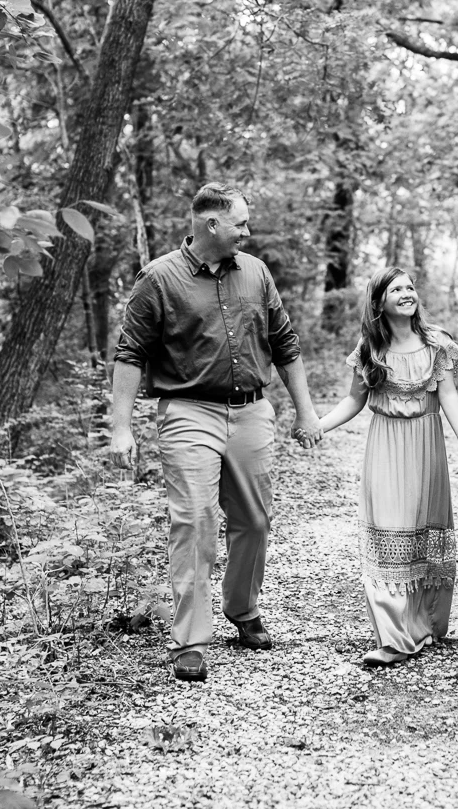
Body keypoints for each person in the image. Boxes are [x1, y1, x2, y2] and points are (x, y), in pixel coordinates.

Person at [109, 182, 323, 683]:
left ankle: (242, 608)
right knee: (195, 522)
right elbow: (130, 353)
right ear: (211, 224)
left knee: (254, 519)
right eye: (240, 223)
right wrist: (121, 427)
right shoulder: (159, 278)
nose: (247, 232)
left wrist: (305, 413)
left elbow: (285, 343)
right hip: (188, 411)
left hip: (251, 411)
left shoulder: (256, 272)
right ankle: (190, 639)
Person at [317, 268, 458, 667]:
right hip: (386, 446)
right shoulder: (371, 349)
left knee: (423, 531)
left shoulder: (436, 343)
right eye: (396, 289)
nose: (407, 293)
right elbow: (353, 401)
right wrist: (318, 425)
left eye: (410, 287)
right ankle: (393, 638)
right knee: (389, 533)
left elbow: (448, 395)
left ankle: (423, 625)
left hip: (427, 445)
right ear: (379, 302)